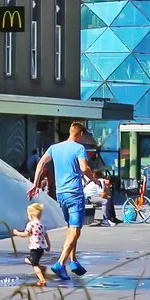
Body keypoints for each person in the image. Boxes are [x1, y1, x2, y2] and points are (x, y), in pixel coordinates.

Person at [29, 119, 101, 282]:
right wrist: (94, 179)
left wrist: (35, 184)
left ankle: (73, 261)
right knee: (75, 230)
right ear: (80, 134)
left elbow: (41, 163)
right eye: (84, 135)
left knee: (72, 228)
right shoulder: (79, 148)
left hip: (61, 194)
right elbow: (84, 168)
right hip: (74, 193)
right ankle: (60, 263)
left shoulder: (54, 148)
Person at [20, 201, 53, 285]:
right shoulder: (42, 225)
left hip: (34, 248)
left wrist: (17, 233)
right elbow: (46, 236)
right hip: (41, 249)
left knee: (34, 265)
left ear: (31, 215)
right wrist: (48, 246)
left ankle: (42, 280)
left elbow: (25, 234)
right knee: (28, 260)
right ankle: (41, 268)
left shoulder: (30, 224)